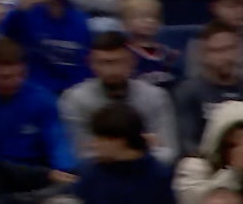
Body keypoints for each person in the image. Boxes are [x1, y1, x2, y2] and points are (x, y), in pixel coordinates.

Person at [0, 38, 78, 173]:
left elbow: (57, 142)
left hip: (33, 171)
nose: (13, 82)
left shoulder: (42, 99)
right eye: (4, 77)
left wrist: (65, 170)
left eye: (19, 75)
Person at [61, 34, 181, 167]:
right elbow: (81, 155)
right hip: (99, 178)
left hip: (147, 175)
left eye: (118, 61)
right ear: (91, 64)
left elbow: (169, 153)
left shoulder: (156, 96)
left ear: (132, 62)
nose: (111, 70)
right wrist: (140, 145)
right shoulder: (76, 99)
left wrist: (109, 150)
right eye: (103, 63)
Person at [171, 23, 243, 156]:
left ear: (240, 50)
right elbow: (187, 143)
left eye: (230, 48)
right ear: (203, 55)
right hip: (209, 165)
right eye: (216, 51)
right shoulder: (188, 91)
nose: (225, 57)